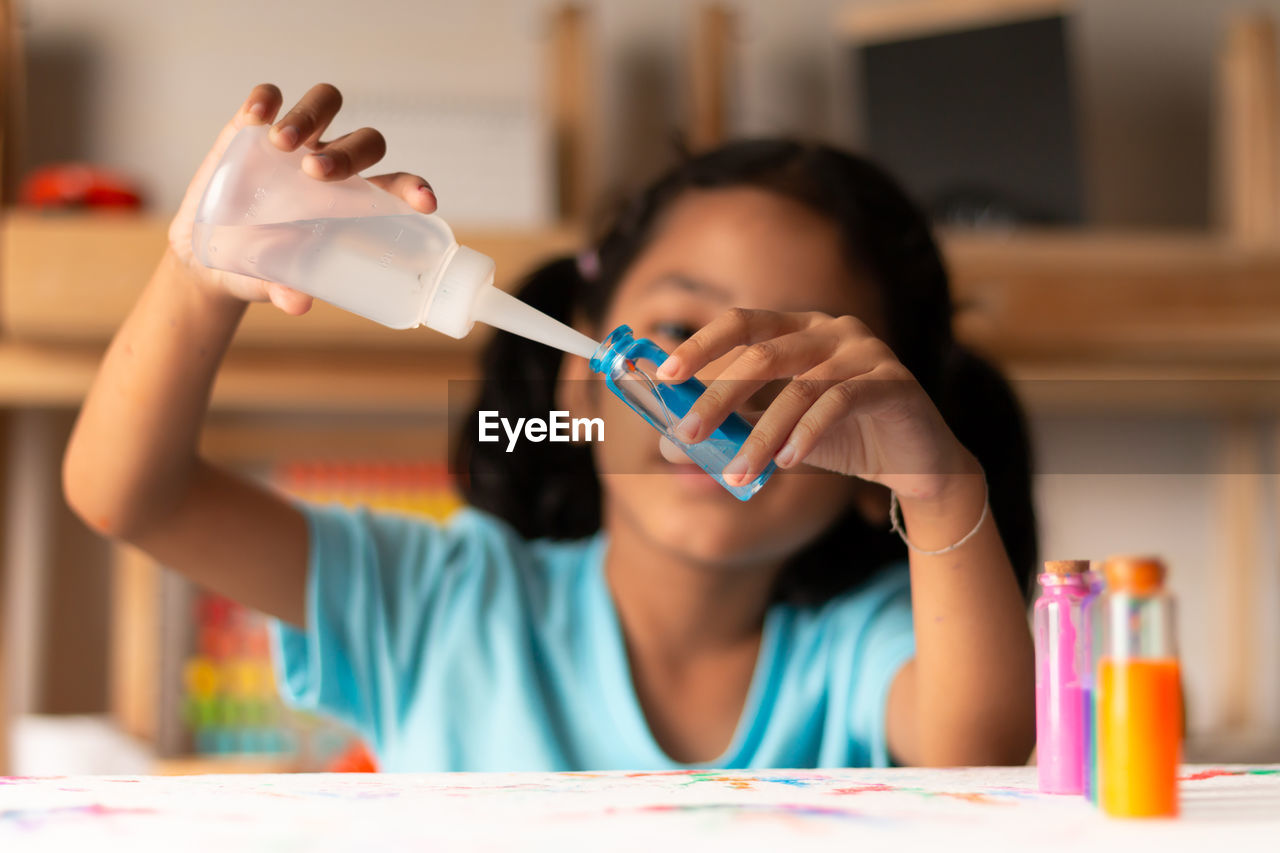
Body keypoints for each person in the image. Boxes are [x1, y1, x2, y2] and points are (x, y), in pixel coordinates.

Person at [64, 83, 1037, 771]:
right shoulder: (437, 607)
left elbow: (981, 749)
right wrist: (201, 275)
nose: (711, 391)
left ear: (869, 468)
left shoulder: (861, 649)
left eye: (790, 365)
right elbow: (128, 493)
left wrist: (936, 481)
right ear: (577, 386)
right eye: (671, 329)